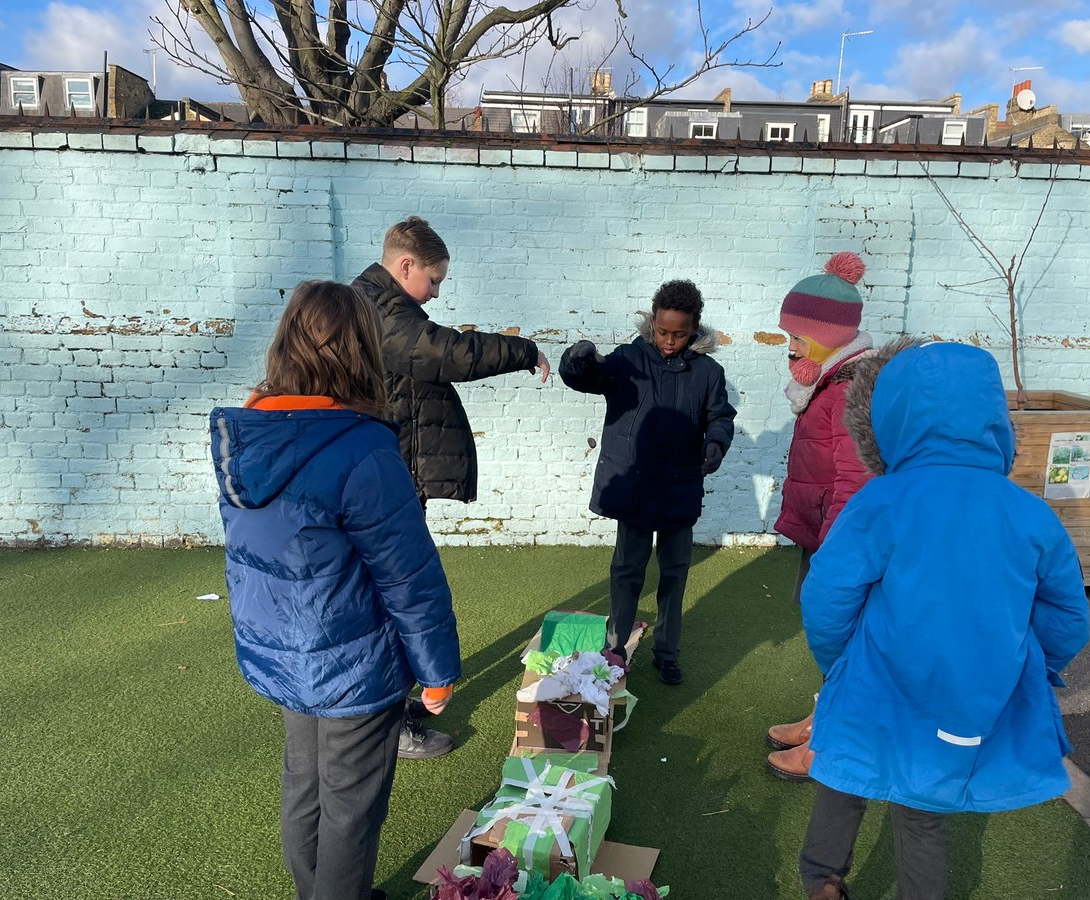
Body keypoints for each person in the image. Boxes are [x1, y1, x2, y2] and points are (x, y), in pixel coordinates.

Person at [796, 338, 1090, 900]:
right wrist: (1031, 668)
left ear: (890, 416)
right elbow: (1067, 614)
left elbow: (828, 593)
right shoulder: (1028, 510)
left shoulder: (881, 500)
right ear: (991, 417)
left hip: (877, 673)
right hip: (969, 687)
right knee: (923, 809)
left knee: (843, 769)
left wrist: (839, 662)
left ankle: (823, 881)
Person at [210, 280, 461, 900]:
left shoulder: (243, 439)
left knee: (305, 786)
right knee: (351, 806)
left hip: (284, 654)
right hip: (352, 661)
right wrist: (437, 672)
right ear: (358, 351)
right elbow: (408, 577)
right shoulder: (361, 447)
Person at [352, 216, 549, 759]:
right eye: (434, 281)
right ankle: (387, 724)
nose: (436, 293)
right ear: (405, 265)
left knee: (394, 597)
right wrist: (523, 351)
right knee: (396, 600)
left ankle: (389, 713)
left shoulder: (378, 305)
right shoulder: (381, 312)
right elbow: (449, 353)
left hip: (386, 471)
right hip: (385, 479)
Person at [559, 280, 736, 685]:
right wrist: (578, 359)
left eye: (679, 333)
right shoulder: (627, 360)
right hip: (634, 487)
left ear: (695, 329)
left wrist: (716, 443)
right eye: (663, 331)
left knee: (675, 571)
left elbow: (720, 417)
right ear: (652, 322)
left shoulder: (708, 372)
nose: (670, 341)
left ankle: (667, 652)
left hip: (681, 485)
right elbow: (588, 377)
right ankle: (615, 648)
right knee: (627, 569)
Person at [766, 252, 876, 780]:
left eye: (796, 336)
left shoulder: (848, 391)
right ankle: (822, 716)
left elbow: (855, 482)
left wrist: (836, 553)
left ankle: (828, 746)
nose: (790, 346)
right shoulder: (829, 382)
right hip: (827, 534)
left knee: (844, 639)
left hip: (841, 541)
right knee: (831, 636)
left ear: (827, 333)